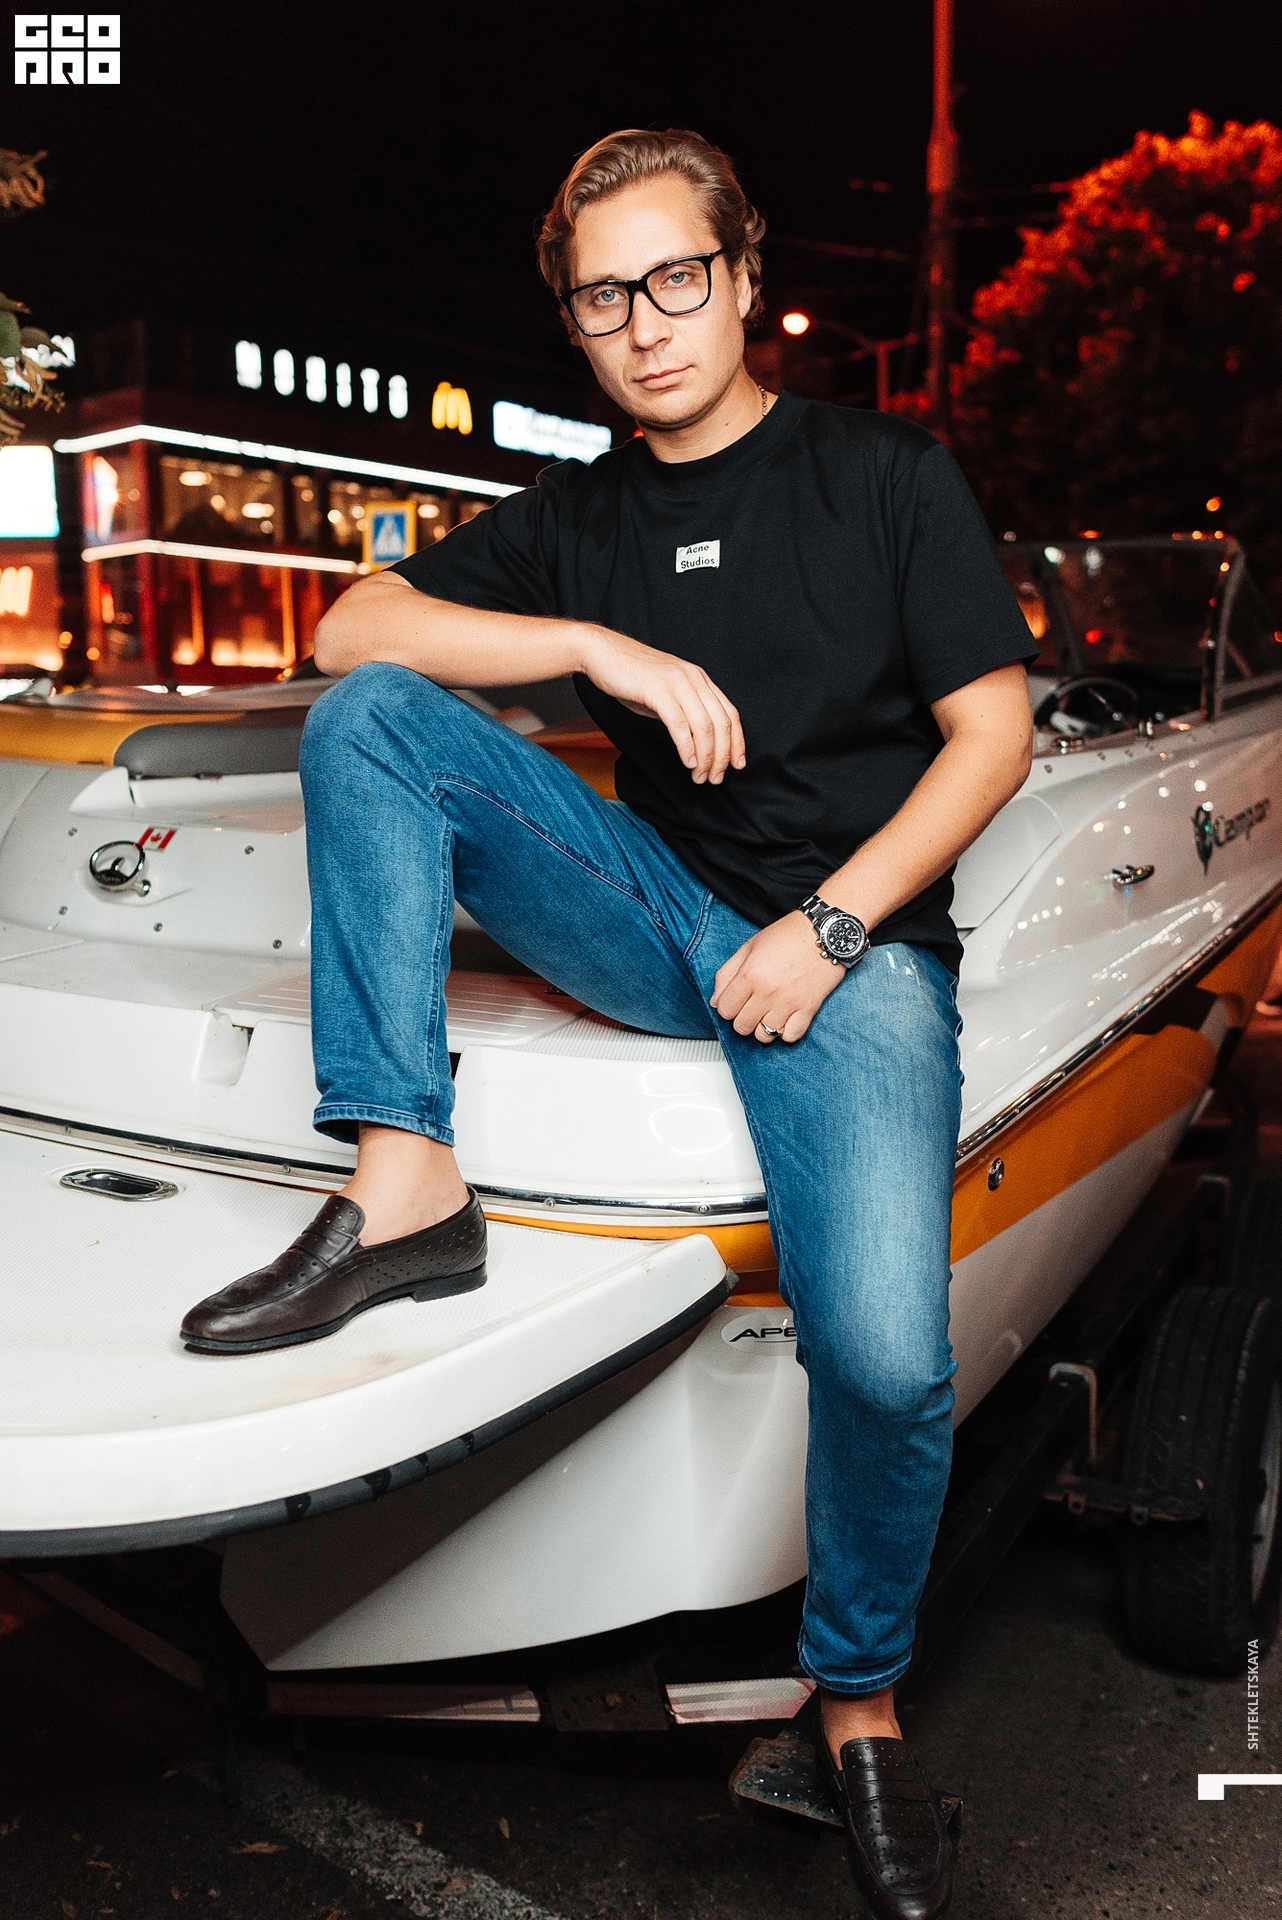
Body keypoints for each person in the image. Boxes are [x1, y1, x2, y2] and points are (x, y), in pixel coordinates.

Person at [181, 127, 1036, 1918]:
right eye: (599, 299)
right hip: (657, 911)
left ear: (740, 274)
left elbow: (990, 735)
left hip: (851, 945)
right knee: (374, 717)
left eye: (673, 278)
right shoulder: (580, 516)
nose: (643, 324)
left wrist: (829, 926)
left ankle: (854, 1704)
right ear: (572, 324)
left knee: (886, 1361)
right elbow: (350, 628)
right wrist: (597, 646)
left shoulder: (883, 474)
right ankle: (406, 1185)